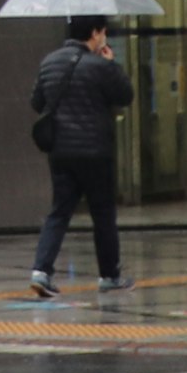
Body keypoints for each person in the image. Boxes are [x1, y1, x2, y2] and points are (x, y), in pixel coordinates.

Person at [28, 16, 135, 298]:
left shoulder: (49, 62)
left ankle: (41, 271)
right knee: (103, 214)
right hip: (95, 152)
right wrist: (112, 64)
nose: (104, 38)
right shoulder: (100, 66)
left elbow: (37, 102)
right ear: (95, 33)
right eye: (103, 32)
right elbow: (126, 95)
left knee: (59, 212)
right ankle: (109, 276)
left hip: (61, 152)